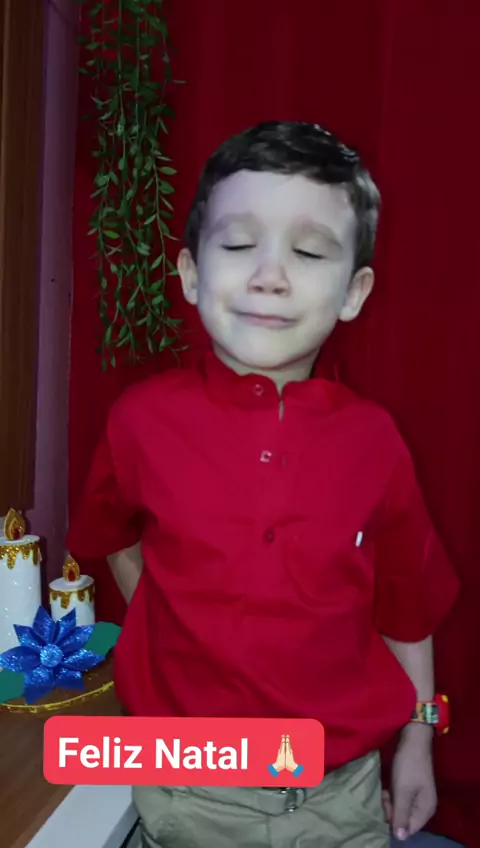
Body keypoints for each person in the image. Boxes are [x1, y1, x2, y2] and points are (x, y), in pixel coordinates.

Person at [67, 121, 461, 848]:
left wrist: (418, 737)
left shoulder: (375, 440)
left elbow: (409, 607)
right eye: (239, 244)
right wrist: (175, 624)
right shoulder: (139, 421)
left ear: (354, 292)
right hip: (186, 792)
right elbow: (113, 535)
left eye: (308, 252)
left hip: (343, 799)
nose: (270, 275)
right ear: (191, 273)